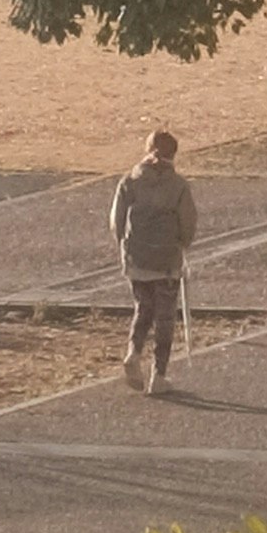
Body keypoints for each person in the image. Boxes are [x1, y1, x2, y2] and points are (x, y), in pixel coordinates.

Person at [110, 127, 197, 391]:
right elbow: (188, 223)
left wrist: (124, 246)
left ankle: (133, 353)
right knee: (165, 317)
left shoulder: (129, 180)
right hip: (166, 259)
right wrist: (182, 245)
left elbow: (116, 220)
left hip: (137, 256)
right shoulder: (179, 186)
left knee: (143, 308)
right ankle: (159, 374)